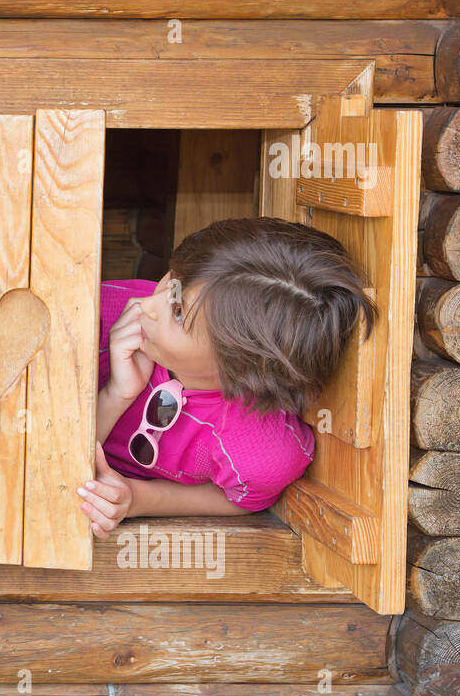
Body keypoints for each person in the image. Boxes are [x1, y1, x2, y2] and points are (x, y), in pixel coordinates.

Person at [77, 217, 377, 538]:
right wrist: (116, 394)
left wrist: (136, 499)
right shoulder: (98, 314)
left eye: (178, 313)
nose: (147, 304)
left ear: (241, 372)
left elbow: (240, 499)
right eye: (173, 281)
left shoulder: (257, 448)